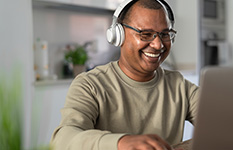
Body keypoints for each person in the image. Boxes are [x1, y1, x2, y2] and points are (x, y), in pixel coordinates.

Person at [50, 0, 199, 150]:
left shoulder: (180, 86)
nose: (158, 45)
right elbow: (63, 139)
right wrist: (121, 142)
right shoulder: (90, 85)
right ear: (118, 35)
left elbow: (221, 125)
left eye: (165, 34)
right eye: (146, 34)